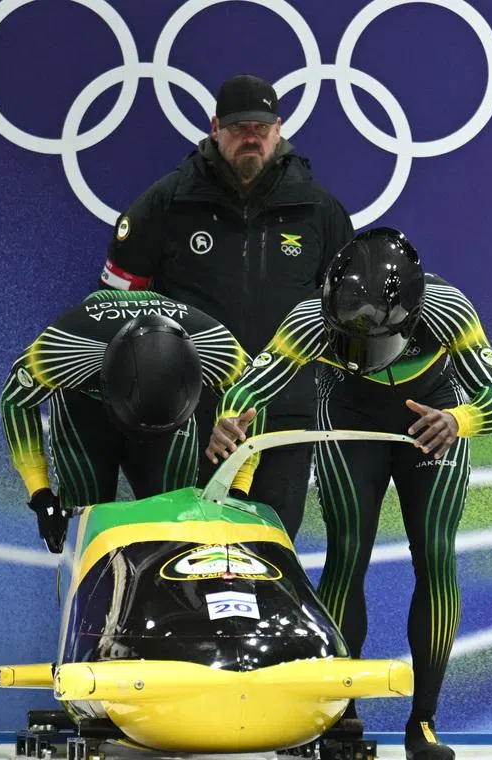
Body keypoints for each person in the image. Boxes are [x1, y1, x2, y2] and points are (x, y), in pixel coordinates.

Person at [206, 228, 492, 760]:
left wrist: (457, 420)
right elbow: (248, 385)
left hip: (431, 421)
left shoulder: (449, 311)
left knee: (436, 556)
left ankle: (424, 722)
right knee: (348, 556)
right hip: (350, 419)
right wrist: (230, 418)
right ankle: (340, 714)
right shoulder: (307, 320)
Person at [96, 73, 355, 540]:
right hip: (185, 416)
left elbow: (344, 318)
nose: (250, 138)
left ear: (279, 128)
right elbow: (113, 304)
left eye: (260, 126)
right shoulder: (168, 201)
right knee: (183, 556)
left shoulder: (319, 210)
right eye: (239, 128)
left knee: (269, 552)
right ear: (216, 128)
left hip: (283, 419)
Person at [0, 290, 251, 552]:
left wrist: (240, 488)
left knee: (175, 517)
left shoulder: (217, 348)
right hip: (84, 409)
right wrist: (40, 494)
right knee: (87, 514)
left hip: (166, 422)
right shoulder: (63, 351)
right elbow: (14, 401)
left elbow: (252, 400)